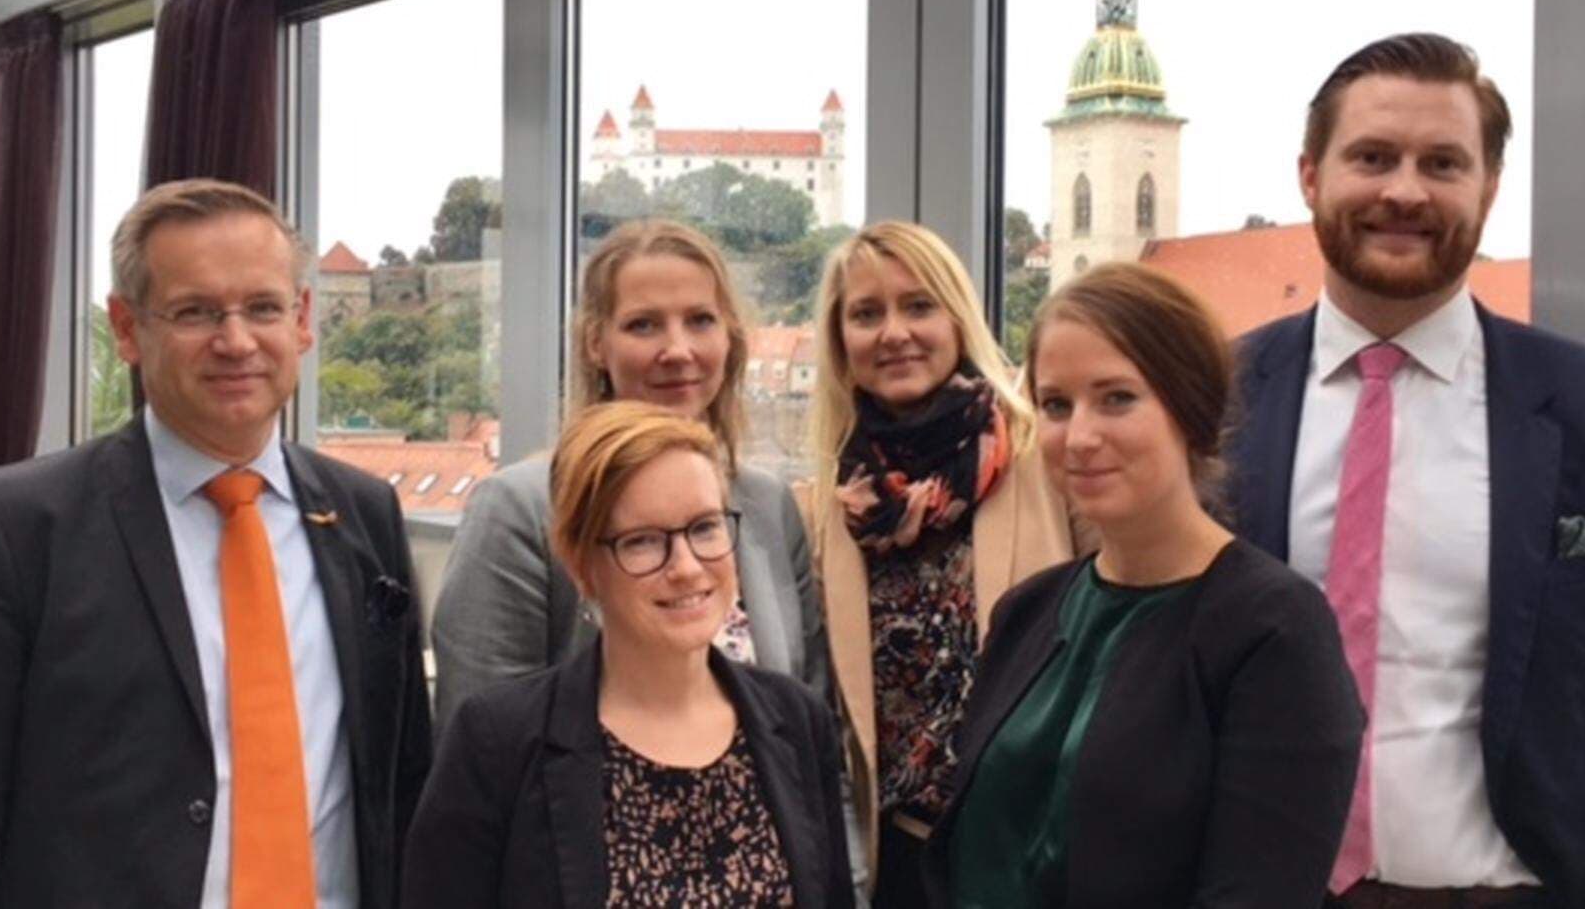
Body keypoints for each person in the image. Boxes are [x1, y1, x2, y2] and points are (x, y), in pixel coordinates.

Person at [1226, 32, 1585, 906]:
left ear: (1489, 188)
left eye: (1442, 162)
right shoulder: (1211, 402)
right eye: (1372, 156)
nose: (1405, 189)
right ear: (1310, 177)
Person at [0, 179, 432, 908]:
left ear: (301, 319)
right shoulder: (9, 530)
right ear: (128, 328)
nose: (236, 341)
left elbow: (405, 785)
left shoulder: (365, 516)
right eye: (196, 311)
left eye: (262, 307)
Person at [926, 262, 1363, 908]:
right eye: (1055, 404)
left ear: (1190, 408)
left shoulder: (1275, 630)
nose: (1080, 436)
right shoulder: (1030, 609)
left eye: (1117, 398)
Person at [403, 402, 854, 907]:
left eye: (705, 528)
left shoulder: (796, 722)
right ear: (581, 566)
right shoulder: (498, 742)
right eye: (642, 542)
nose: (686, 567)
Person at [432, 219, 827, 720]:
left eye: (700, 320)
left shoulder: (769, 505)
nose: (678, 350)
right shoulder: (522, 511)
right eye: (644, 325)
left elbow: (813, 732)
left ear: (730, 338)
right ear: (597, 344)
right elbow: (478, 741)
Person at [803, 220, 1080, 906]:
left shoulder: (1045, 463)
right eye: (866, 313)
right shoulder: (826, 505)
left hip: (1030, 845)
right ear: (842, 341)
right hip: (893, 856)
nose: (894, 331)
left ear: (958, 319)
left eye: (918, 305)